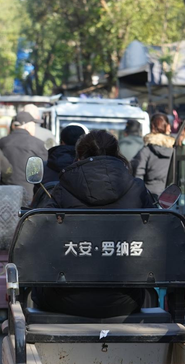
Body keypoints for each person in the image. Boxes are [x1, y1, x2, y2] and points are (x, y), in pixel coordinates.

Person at [35, 130, 154, 318]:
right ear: (117, 154)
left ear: (79, 155)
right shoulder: (137, 188)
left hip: (62, 299)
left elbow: (40, 240)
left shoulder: (63, 187)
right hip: (127, 300)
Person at [0, 111, 49, 205]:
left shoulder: (1, 142)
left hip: (5, 193)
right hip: (30, 195)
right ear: (27, 125)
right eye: (33, 124)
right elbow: (45, 171)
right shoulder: (38, 144)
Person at [131, 113, 175, 197]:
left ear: (152, 128)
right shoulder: (175, 150)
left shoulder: (146, 150)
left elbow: (138, 174)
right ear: (167, 127)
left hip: (150, 195)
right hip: (172, 195)